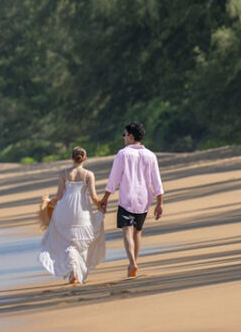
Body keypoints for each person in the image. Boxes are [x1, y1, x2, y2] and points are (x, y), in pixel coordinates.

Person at [98, 121, 164, 278]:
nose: (123, 137)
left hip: (127, 198)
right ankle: (133, 263)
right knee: (137, 232)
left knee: (127, 231)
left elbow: (114, 178)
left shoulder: (123, 154)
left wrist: (105, 198)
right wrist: (160, 203)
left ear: (131, 136)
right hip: (144, 200)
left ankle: (132, 262)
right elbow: (157, 181)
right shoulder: (150, 155)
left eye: (124, 134)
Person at [38, 146, 105, 284]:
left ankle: (73, 271)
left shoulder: (64, 173)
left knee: (67, 242)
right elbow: (93, 197)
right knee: (81, 242)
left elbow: (59, 196)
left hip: (65, 209)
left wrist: (49, 202)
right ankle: (76, 271)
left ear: (71, 158)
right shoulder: (88, 174)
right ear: (84, 158)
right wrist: (100, 207)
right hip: (82, 210)